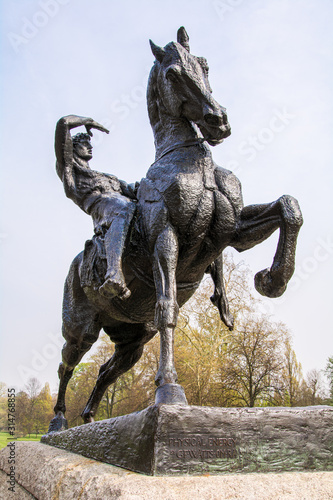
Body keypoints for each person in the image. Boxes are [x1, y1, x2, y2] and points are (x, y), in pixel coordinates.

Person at [55, 115, 136, 299]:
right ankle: (114, 273)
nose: (90, 147)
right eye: (84, 144)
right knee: (122, 208)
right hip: (101, 207)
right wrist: (87, 121)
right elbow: (63, 124)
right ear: (73, 149)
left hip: (121, 201)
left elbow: (132, 189)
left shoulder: (108, 176)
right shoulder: (71, 169)